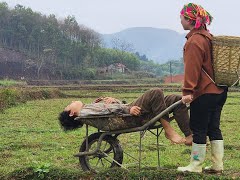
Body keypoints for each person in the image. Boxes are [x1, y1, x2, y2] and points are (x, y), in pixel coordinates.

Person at [177, 3, 228, 174]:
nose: (180, 20)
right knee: (214, 127)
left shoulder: (195, 41)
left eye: (182, 17)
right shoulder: (208, 37)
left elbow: (193, 68)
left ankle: (195, 165)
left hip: (205, 92)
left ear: (190, 20)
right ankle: (217, 165)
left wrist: (188, 91)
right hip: (219, 91)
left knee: (198, 128)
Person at [58, 88, 193, 145]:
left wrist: (114, 101)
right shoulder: (85, 112)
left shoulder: (89, 108)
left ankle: (189, 135)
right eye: (69, 105)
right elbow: (108, 113)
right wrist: (128, 109)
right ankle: (169, 131)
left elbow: (109, 111)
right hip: (130, 116)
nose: (72, 102)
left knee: (176, 100)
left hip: (128, 113)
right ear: (71, 113)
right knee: (155, 93)